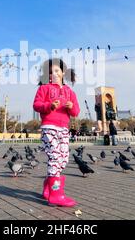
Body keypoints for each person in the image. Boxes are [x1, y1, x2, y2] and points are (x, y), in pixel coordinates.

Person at [33, 58, 79, 207]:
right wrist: (49, 106)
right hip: (49, 127)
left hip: (64, 129)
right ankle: (56, 194)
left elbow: (76, 111)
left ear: (63, 72)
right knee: (54, 157)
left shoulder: (69, 92)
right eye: (50, 72)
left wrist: (71, 106)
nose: (54, 74)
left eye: (57, 71)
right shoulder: (44, 88)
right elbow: (36, 105)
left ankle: (48, 185)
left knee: (63, 159)